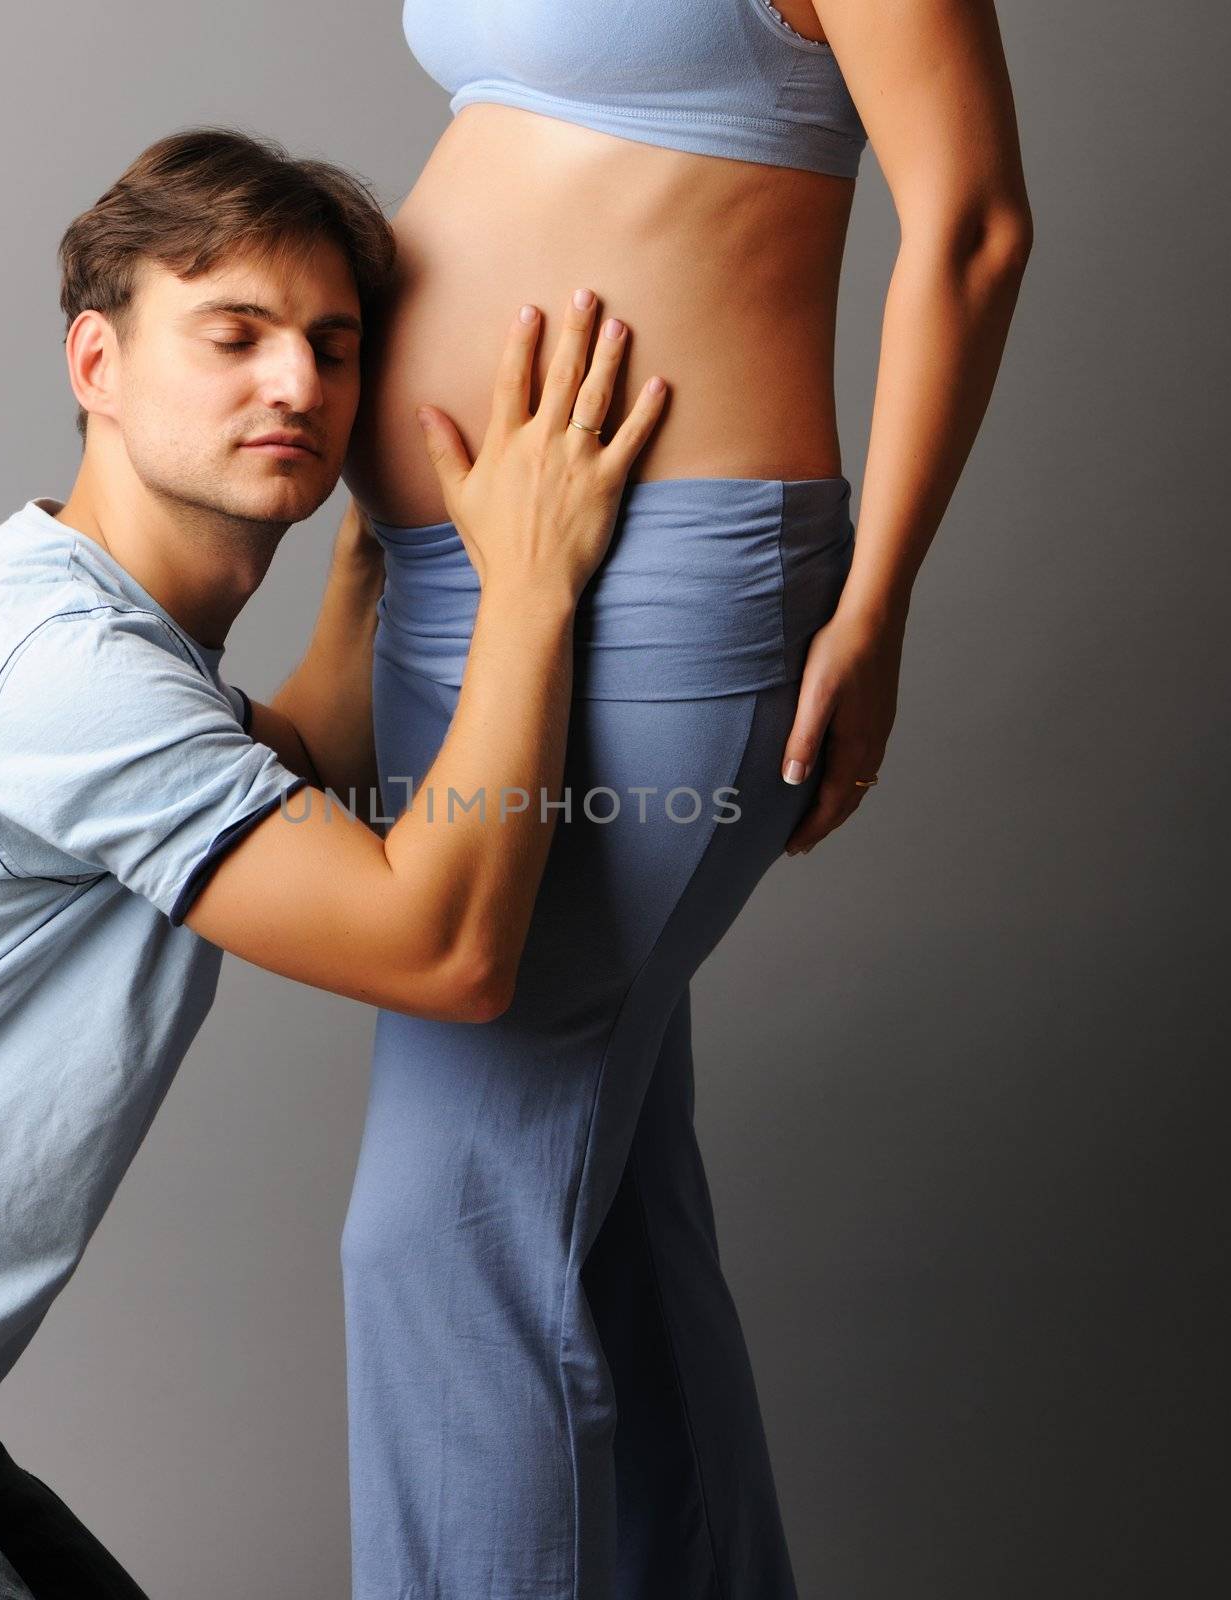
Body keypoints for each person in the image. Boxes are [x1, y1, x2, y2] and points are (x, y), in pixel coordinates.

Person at [0, 127, 668, 1596]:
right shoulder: (53, 667)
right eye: (231, 336)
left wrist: (397, 548)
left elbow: (290, 766)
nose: (297, 385)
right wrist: (533, 588)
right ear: (96, 364)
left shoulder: (64, 611)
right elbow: (443, 952)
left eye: (333, 345)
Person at [337, 1, 1034, 1595]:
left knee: (445, 1235)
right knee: (613, 1221)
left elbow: (974, 223)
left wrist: (876, 599)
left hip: (655, 580)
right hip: (458, 571)